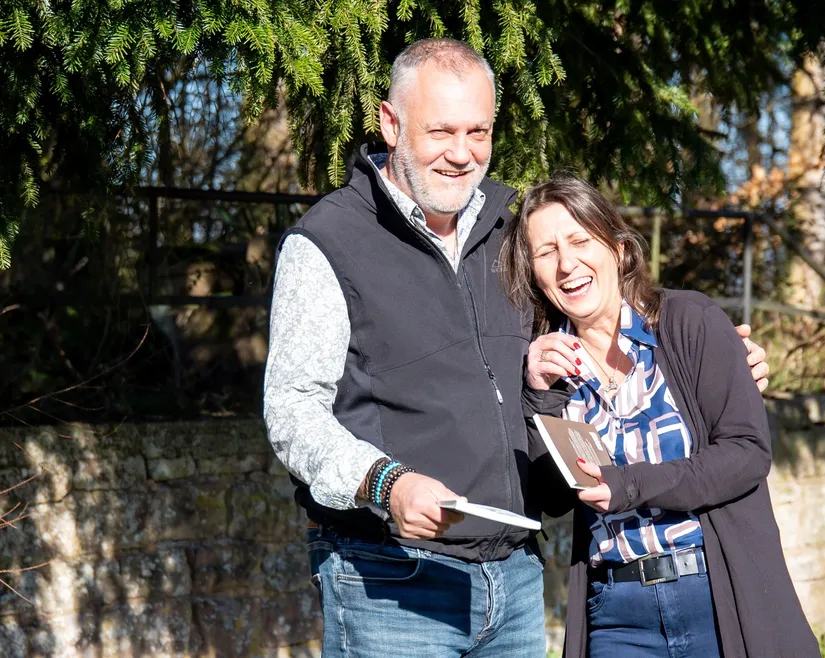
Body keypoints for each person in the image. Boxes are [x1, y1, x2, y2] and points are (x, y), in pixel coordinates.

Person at [263, 39, 772, 657]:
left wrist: (712, 362)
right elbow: (292, 413)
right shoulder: (326, 243)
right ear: (390, 123)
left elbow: (596, 317)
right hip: (391, 578)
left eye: (478, 131)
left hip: (516, 576)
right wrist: (384, 485)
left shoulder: (514, 224)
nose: (461, 153)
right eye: (440, 131)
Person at [500, 175, 818, 658]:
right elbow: (554, 499)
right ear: (535, 274)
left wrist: (630, 485)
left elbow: (746, 454)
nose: (567, 264)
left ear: (619, 249)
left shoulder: (689, 323)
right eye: (546, 252)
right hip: (617, 614)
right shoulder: (549, 361)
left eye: (580, 240)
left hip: (715, 593)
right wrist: (539, 395)